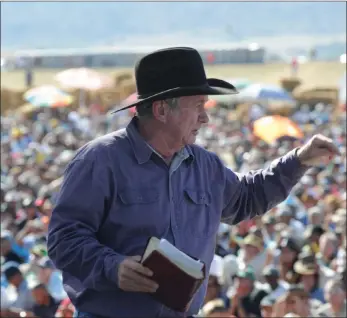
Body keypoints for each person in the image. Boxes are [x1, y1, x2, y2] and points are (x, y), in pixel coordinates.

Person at [47, 47, 340, 318]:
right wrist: (112, 267)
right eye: (198, 104)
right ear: (162, 110)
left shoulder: (205, 165)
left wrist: (298, 160)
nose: (206, 117)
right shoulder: (100, 160)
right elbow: (63, 239)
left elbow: (246, 197)